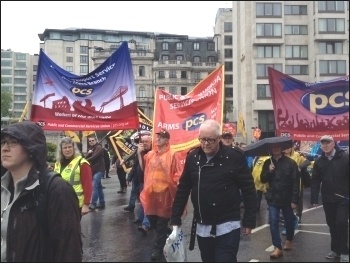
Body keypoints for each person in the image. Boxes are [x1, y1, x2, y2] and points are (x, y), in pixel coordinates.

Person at [170, 119, 257, 262]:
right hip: (202, 224)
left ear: (219, 139)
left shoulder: (234, 157)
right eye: (202, 139)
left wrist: (249, 219)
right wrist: (175, 216)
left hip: (228, 224)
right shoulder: (193, 157)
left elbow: (248, 189)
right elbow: (183, 188)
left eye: (210, 140)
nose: (205, 143)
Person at [1, 121, 82, 262]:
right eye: (3, 142)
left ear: (31, 148)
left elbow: (68, 251)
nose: (4, 148)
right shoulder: (3, 188)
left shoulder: (57, 190)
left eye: (13, 142)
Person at [139, 128, 179, 261]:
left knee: (161, 223)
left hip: (165, 195)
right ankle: (165, 234)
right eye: (157, 136)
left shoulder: (173, 154)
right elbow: (144, 169)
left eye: (161, 137)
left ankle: (158, 248)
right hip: (152, 195)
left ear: (167, 140)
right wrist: (140, 154)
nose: (158, 139)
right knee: (153, 221)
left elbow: (177, 174)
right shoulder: (150, 154)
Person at [311, 135, 349, 262]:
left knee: (342, 223)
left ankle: (344, 251)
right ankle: (335, 250)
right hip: (328, 199)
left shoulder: (344, 158)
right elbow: (315, 181)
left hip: (343, 198)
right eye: (323, 143)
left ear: (334, 143)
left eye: (328, 143)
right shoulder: (319, 161)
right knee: (332, 225)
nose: (325, 145)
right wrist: (314, 198)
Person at [260, 142, 299, 258]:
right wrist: (269, 171)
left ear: (281, 148)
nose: (276, 148)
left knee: (289, 221)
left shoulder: (291, 163)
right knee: (273, 222)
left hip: (287, 198)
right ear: (270, 149)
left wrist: (294, 200)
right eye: (273, 147)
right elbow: (262, 179)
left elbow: (295, 183)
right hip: (273, 198)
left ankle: (289, 239)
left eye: (278, 146)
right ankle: (277, 247)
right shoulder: (268, 162)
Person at [54, 136, 93, 217]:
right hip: (60, 202)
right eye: (65, 147)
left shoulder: (82, 163)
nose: (68, 149)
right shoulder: (57, 163)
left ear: (74, 148)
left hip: (75, 203)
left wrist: (86, 204)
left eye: (70, 147)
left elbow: (88, 185)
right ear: (61, 150)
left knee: (72, 228)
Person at [282, 146, 311, 223]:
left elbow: (307, 162)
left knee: (299, 199)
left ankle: (298, 215)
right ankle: (286, 217)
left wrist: (300, 166)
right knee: (286, 200)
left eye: (288, 147)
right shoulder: (281, 156)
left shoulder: (297, 155)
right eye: (285, 147)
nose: (287, 148)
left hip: (297, 182)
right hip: (285, 183)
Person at [131, 135, 152, 234]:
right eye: (142, 141)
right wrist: (130, 177)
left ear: (151, 142)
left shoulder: (152, 153)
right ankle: (140, 217)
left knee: (147, 203)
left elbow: (145, 167)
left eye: (146, 141)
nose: (144, 143)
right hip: (140, 180)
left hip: (149, 182)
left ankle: (146, 224)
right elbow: (135, 166)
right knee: (141, 201)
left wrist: (140, 154)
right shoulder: (139, 151)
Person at [86, 136, 106, 210]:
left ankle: (93, 204)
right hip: (93, 170)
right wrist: (88, 153)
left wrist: (84, 160)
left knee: (94, 185)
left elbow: (93, 157)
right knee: (99, 186)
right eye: (90, 141)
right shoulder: (91, 149)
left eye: (92, 140)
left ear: (95, 140)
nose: (91, 142)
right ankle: (102, 202)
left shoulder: (99, 148)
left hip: (100, 169)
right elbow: (87, 158)